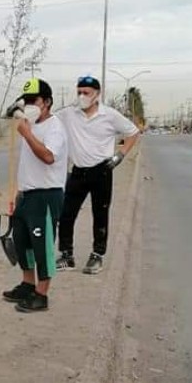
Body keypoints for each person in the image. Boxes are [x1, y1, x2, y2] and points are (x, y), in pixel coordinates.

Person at [54, 76, 140, 275]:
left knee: (100, 214)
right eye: (79, 92)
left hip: (101, 171)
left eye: (86, 93)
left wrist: (120, 155)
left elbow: (133, 132)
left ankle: (97, 255)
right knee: (66, 214)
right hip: (78, 171)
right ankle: (67, 254)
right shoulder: (69, 114)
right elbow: (48, 117)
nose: (82, 96)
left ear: (97, 95)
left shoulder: (109, 115)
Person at [1, 78, 68, 313]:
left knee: (42, 245)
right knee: (23, 242)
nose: (29, 105)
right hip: (27, 194)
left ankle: (42, 293)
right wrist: (18, 193)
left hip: (46, 195)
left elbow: (49, 157)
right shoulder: (29, 124)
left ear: (47, 102)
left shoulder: (55, 127)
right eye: (26, 101)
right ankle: (27, 283)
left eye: (34, 101)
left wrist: (27, 135)